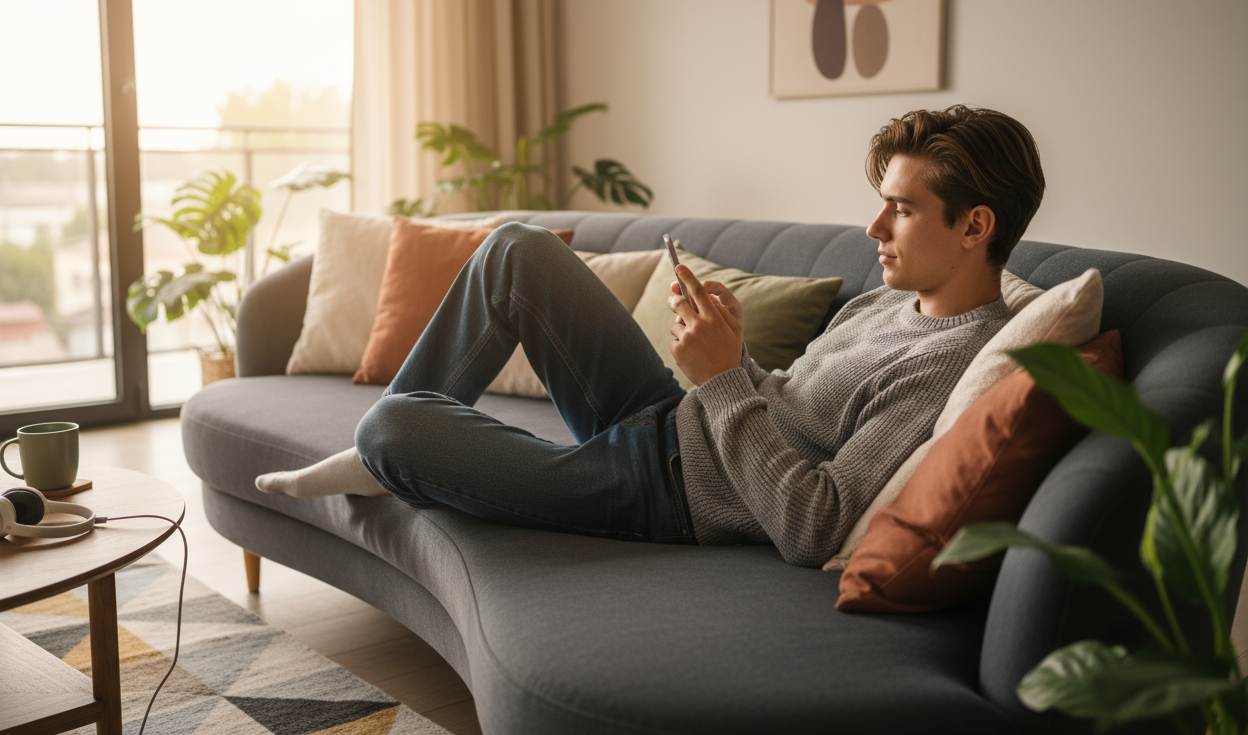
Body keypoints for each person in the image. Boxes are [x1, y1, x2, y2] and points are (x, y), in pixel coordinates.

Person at [257, 105, 1046, 568]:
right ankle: (377, 463)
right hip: (673, 421)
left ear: (976, 225)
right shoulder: (888, 301)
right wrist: (734, 356)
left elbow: (816, 524)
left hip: (669, 495)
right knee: (516, 249)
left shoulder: (950, 363)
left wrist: (723, 382)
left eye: (901, 209)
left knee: (394, 424)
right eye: (881, 201)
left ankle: (384, 452)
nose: (873, 225)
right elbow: (791, 408)